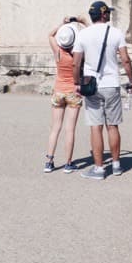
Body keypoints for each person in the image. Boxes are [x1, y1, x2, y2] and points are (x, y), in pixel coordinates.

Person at [72, 1, 132, 180]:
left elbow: (76, 62)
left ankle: (99, 169)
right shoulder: (116, 33)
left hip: (92, 85)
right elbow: (125, 60)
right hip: (111, 84)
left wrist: (76, 83)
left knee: (95, 127)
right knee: (112, 125)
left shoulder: (83, 34)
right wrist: (131, 80)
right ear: (104, 15)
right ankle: (116, 165)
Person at [44, 18, 86, 173]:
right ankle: (68, 163)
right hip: (73, 92)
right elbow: (89, 33)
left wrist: (62, 24)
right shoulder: (78, 54)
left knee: (55, 128)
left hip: (58, 91)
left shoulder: (58, 52)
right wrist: (82, 22)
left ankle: (49, 161)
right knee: (70, 129)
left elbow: (50, 35)